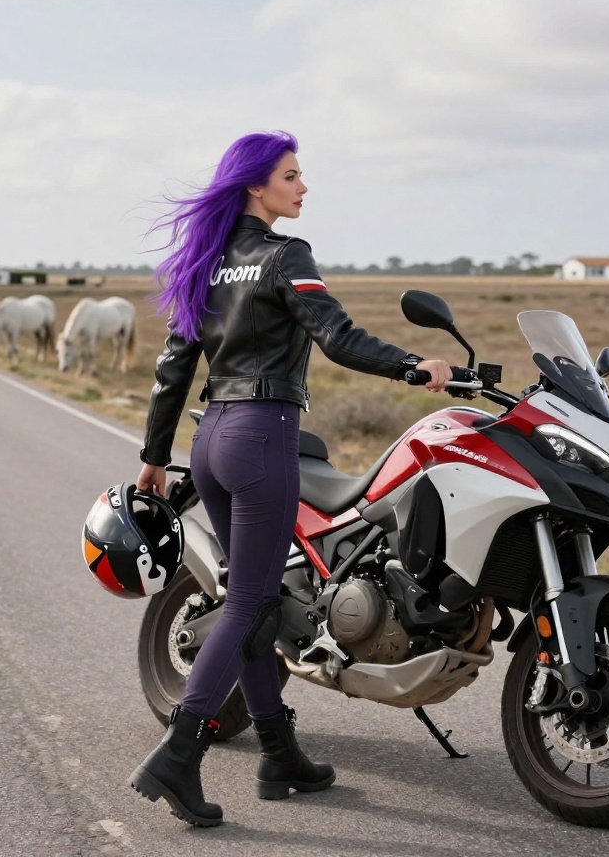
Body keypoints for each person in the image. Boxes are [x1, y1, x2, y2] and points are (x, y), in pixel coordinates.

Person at [129, 131, 452, 827]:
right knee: (248, 603)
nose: (303, 188)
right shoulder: (284, 256)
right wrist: (411, 365)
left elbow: (173, 368)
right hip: (264, 436)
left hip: (211, 441)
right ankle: (179, 755)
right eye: (291, 176)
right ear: (256, 186)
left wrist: (155, 456)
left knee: (261, 600)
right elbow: (335, 335)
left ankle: (280, 753)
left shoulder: (206, 263)